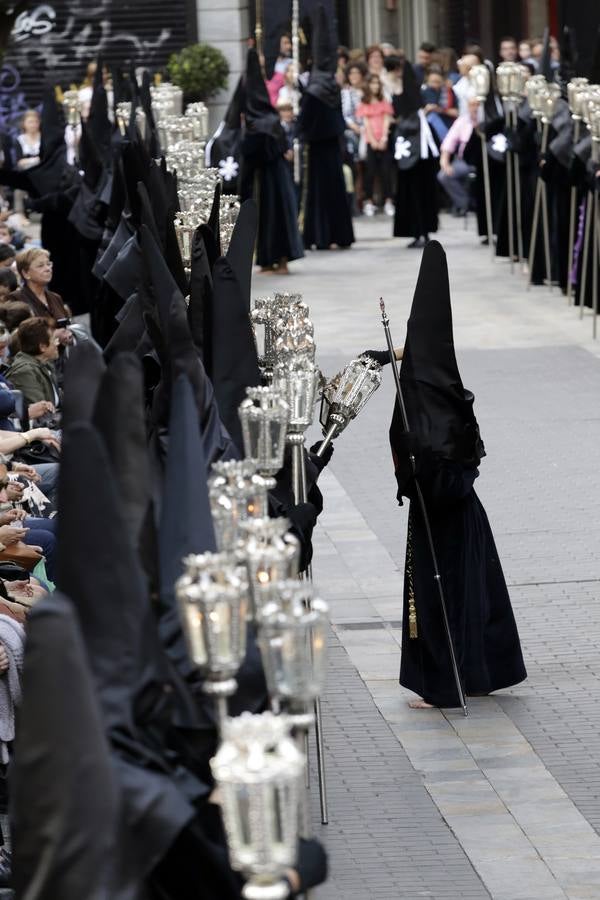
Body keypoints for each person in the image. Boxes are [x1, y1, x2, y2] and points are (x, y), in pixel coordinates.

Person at [363, 241, 527, 709]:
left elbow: (425, 454)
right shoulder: (442, 379)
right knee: (472, 590)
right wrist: (392, 354)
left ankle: (444, 684)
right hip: (462, 512)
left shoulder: (426, 397)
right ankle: (480, 671)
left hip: (439, 514)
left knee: (440, 597)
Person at [238, 49, 303, 274]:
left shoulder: (256, 123)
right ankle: (277, 260)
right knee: (278, 216)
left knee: (270, 216)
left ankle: (272, 261)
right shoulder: (272, 119)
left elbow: (252, 151)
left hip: (266, 177)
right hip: (277, 175)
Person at [297, 5, 354, 250]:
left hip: (318, 149)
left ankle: (319, 235)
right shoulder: (332, 85)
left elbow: (305, 122)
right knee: (336, 189)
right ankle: (339, 234)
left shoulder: (314, 89)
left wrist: (299, 130)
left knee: (318, 193)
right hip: (331, 146)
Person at [392, 60, 439, 248]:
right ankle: (418, 230)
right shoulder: (407, 106)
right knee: (414, 195)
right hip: (411, 158)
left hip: (418, 160)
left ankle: (422, 230)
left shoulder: (416, 113)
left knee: (419, 194)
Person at [7, 249, 72, 345]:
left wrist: (68, 335)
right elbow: (17, 338)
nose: (48, 269)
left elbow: (67, 326)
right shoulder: (16, 299)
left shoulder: (55, 297)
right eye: (40, 266)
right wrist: (53, 336)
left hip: (60, 356)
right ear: (26, 273)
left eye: (48, 264)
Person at [356, 74, 394, 216]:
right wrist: (372, 140)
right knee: (370, 172)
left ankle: (388, 201)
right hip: (369, 141)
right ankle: (369, 201)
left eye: (377, 84)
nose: (375, 86)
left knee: (386, 171)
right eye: (372, 83)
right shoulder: (364, 103)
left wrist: (383, 138)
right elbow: (366, 123)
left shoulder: (384, 101)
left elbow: (386, 120)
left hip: (383, 140)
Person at [437, 96, 479, 215]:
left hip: (485, 161)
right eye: (472, 105)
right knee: (444, 175)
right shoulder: (462, 121)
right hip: (465, 161)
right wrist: (444, 161)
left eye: (477, 104)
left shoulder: (487, 118)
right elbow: (449, 141)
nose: (475, 108)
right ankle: (465, 203)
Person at [6, 317, 61, 409]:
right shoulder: (25, 372)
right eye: (54, 340)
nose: (57, 343)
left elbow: (56, 398)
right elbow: (41, 411)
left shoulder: (45, 363)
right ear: (42, 347)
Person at [421, 64, 458, 141]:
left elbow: (456, 112)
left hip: (447, 124)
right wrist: (427, 110)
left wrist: (440, 110)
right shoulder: (423, 92)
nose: (434, 85)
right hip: (427, 128)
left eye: (438, 82)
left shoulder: (448, 93)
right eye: (432, 82)